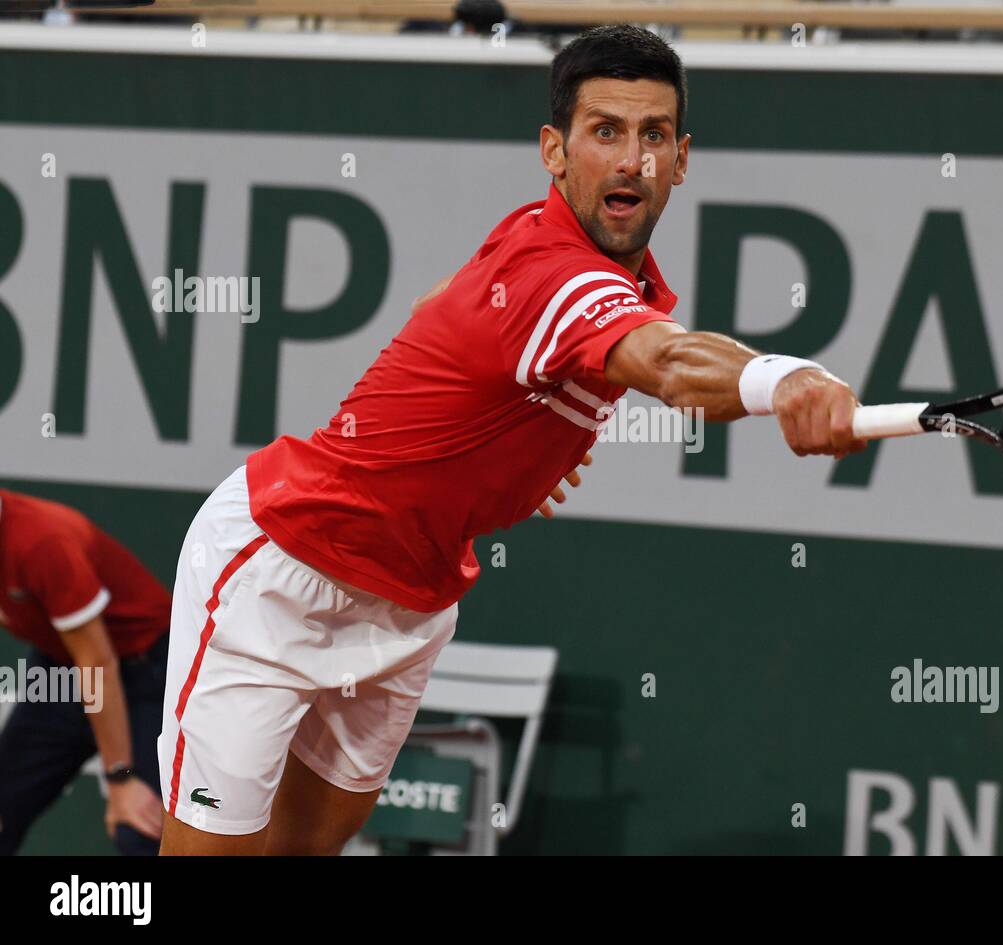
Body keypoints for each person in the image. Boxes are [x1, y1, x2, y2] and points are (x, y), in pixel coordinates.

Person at [159, 24, 870, 855]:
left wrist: (510, 436)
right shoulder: (555, 275)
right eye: (605, 131)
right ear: (555, 150)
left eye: (653, 137)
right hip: (283, 565)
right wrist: (781, 378)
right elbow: (673, 364)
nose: (631, 159)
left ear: (682, 158)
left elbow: (440, 308)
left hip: (411, 600)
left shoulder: (564, 255)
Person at [0, 489, 170, 855]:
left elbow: (97, 664)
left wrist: (120, 779)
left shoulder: (41, 542)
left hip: (146, 672)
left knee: (141, 830)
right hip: (59, 669)